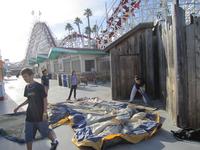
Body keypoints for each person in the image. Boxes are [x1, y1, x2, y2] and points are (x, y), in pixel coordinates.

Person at [13, 68, 58, 150]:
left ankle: (54, 140)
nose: (24, 79)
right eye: (23, 77)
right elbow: (28, 99)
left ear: (31, 75)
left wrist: (44, 113)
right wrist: (18, 107)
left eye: (26, 76)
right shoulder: (27, 87)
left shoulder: (39, 86)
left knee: (45, 132)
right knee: (28, 135)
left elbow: (45, 100)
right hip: (30, 115)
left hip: (40, 115)